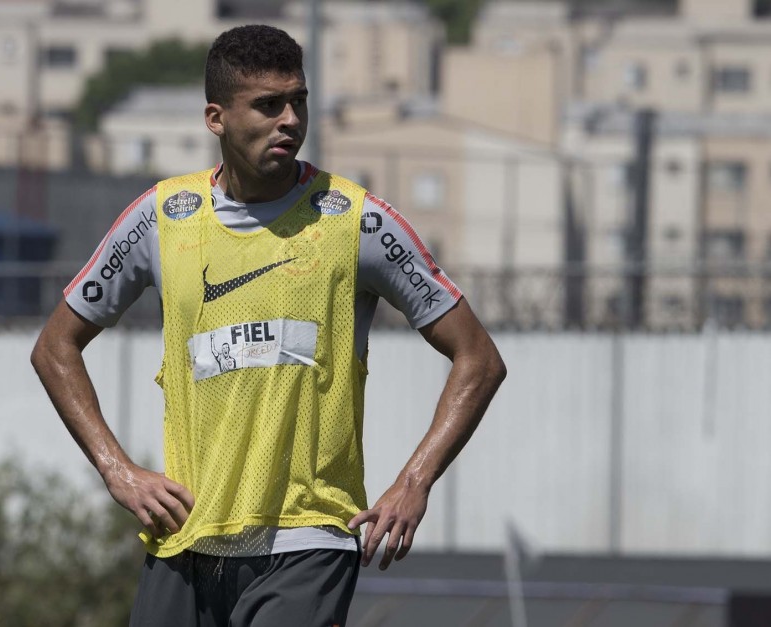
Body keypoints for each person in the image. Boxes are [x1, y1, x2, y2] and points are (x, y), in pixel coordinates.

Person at [31, 24, 505, 627]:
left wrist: (415, 481)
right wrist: (117, 470)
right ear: (216, 117)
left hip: (308, 541)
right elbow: (54, 348)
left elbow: (479, 359)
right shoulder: (162, 217)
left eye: (298, 102)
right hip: (186, 537)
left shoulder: (356, 221)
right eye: (267, 105)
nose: (289, 120)